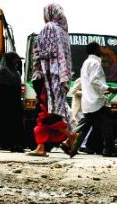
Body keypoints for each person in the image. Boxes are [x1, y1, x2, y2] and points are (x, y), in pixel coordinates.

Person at [28, 3, 78, 157]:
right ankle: (42, 146)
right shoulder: (63, 32)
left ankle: (71, 136)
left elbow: (44, 55)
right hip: (59, 78)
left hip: (47, 78)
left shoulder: (49, 28)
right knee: (47, 112)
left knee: (48, 113)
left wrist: (38, 75)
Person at [77, 41, 117, 156]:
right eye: (99, 49)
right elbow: (94, 81)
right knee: (107, 127)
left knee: (90, 127)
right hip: (96, 101)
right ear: (95, 50)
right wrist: (108, 88)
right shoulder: (95, 63)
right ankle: (108, 150)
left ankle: (85, 147)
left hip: (88, 101)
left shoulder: (86, 63)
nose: (101, 51)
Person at [0, 52, 25, 151]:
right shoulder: (3, 71)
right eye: (15, 59)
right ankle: (5, 143)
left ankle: (15, 143)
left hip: (15, 102)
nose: (17, 61)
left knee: (15, 122)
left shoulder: (17, 72)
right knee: (5, 122)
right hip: (5, 102)